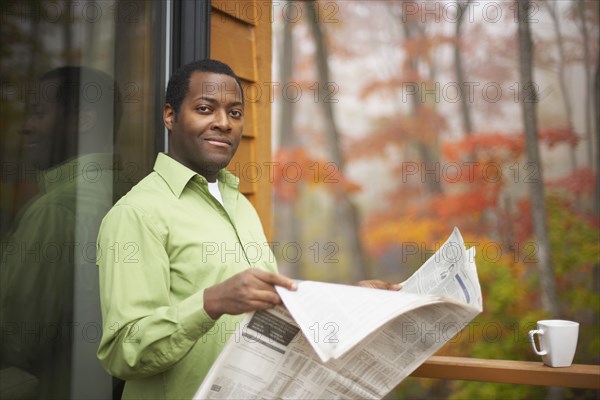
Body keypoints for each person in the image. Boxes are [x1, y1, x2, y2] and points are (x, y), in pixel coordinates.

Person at [96, 59, 398, 399]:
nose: (223, 123)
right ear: (171, 116)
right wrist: (211, 302)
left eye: (235, 113)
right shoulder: (138, 213)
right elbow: (124, 351)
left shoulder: (239, 205)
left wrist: (350, 301)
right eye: (205, 108)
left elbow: (273, 307)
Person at [0, 66, 121, 399]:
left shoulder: (56, 209)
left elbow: (16, 341)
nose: (26, 126)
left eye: (39, 113)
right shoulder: (132, 192)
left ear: (83, 121)